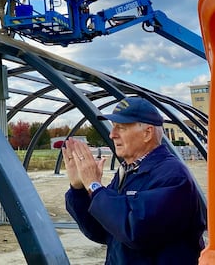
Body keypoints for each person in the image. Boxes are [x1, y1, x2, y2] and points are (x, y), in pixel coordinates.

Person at [62, 96, 206, 264]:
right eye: (113, 127)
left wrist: (95, 186)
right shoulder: (128, 171)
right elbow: (101, 231)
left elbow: (136, 231)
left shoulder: (172, 176)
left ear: (147, 133)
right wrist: (78, 189)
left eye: (120, 128)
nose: (112, 134)